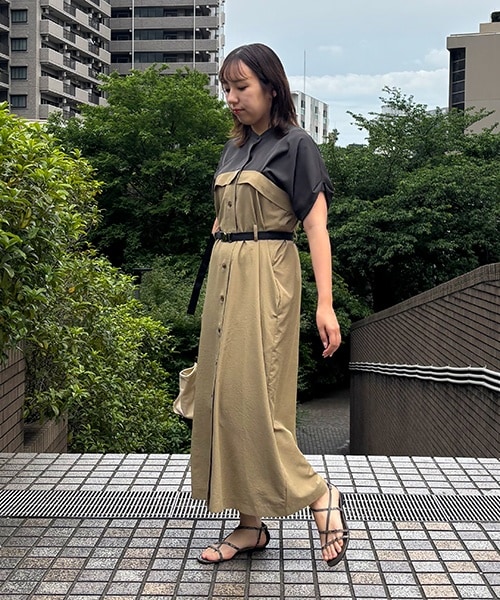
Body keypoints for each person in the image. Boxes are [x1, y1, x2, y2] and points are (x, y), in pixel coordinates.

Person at [190, 43, 349, 567]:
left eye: (242, 87)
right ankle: (250, 524)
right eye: (227, 89)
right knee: (222, 398)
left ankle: (318, 494)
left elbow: (316, 227)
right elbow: (225, 214)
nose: (232, 98)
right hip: (226, 276)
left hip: (267, 274)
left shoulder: (297, 145)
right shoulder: (233, 149)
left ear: (272, 88)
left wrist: (326, 305)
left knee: (253, 398)